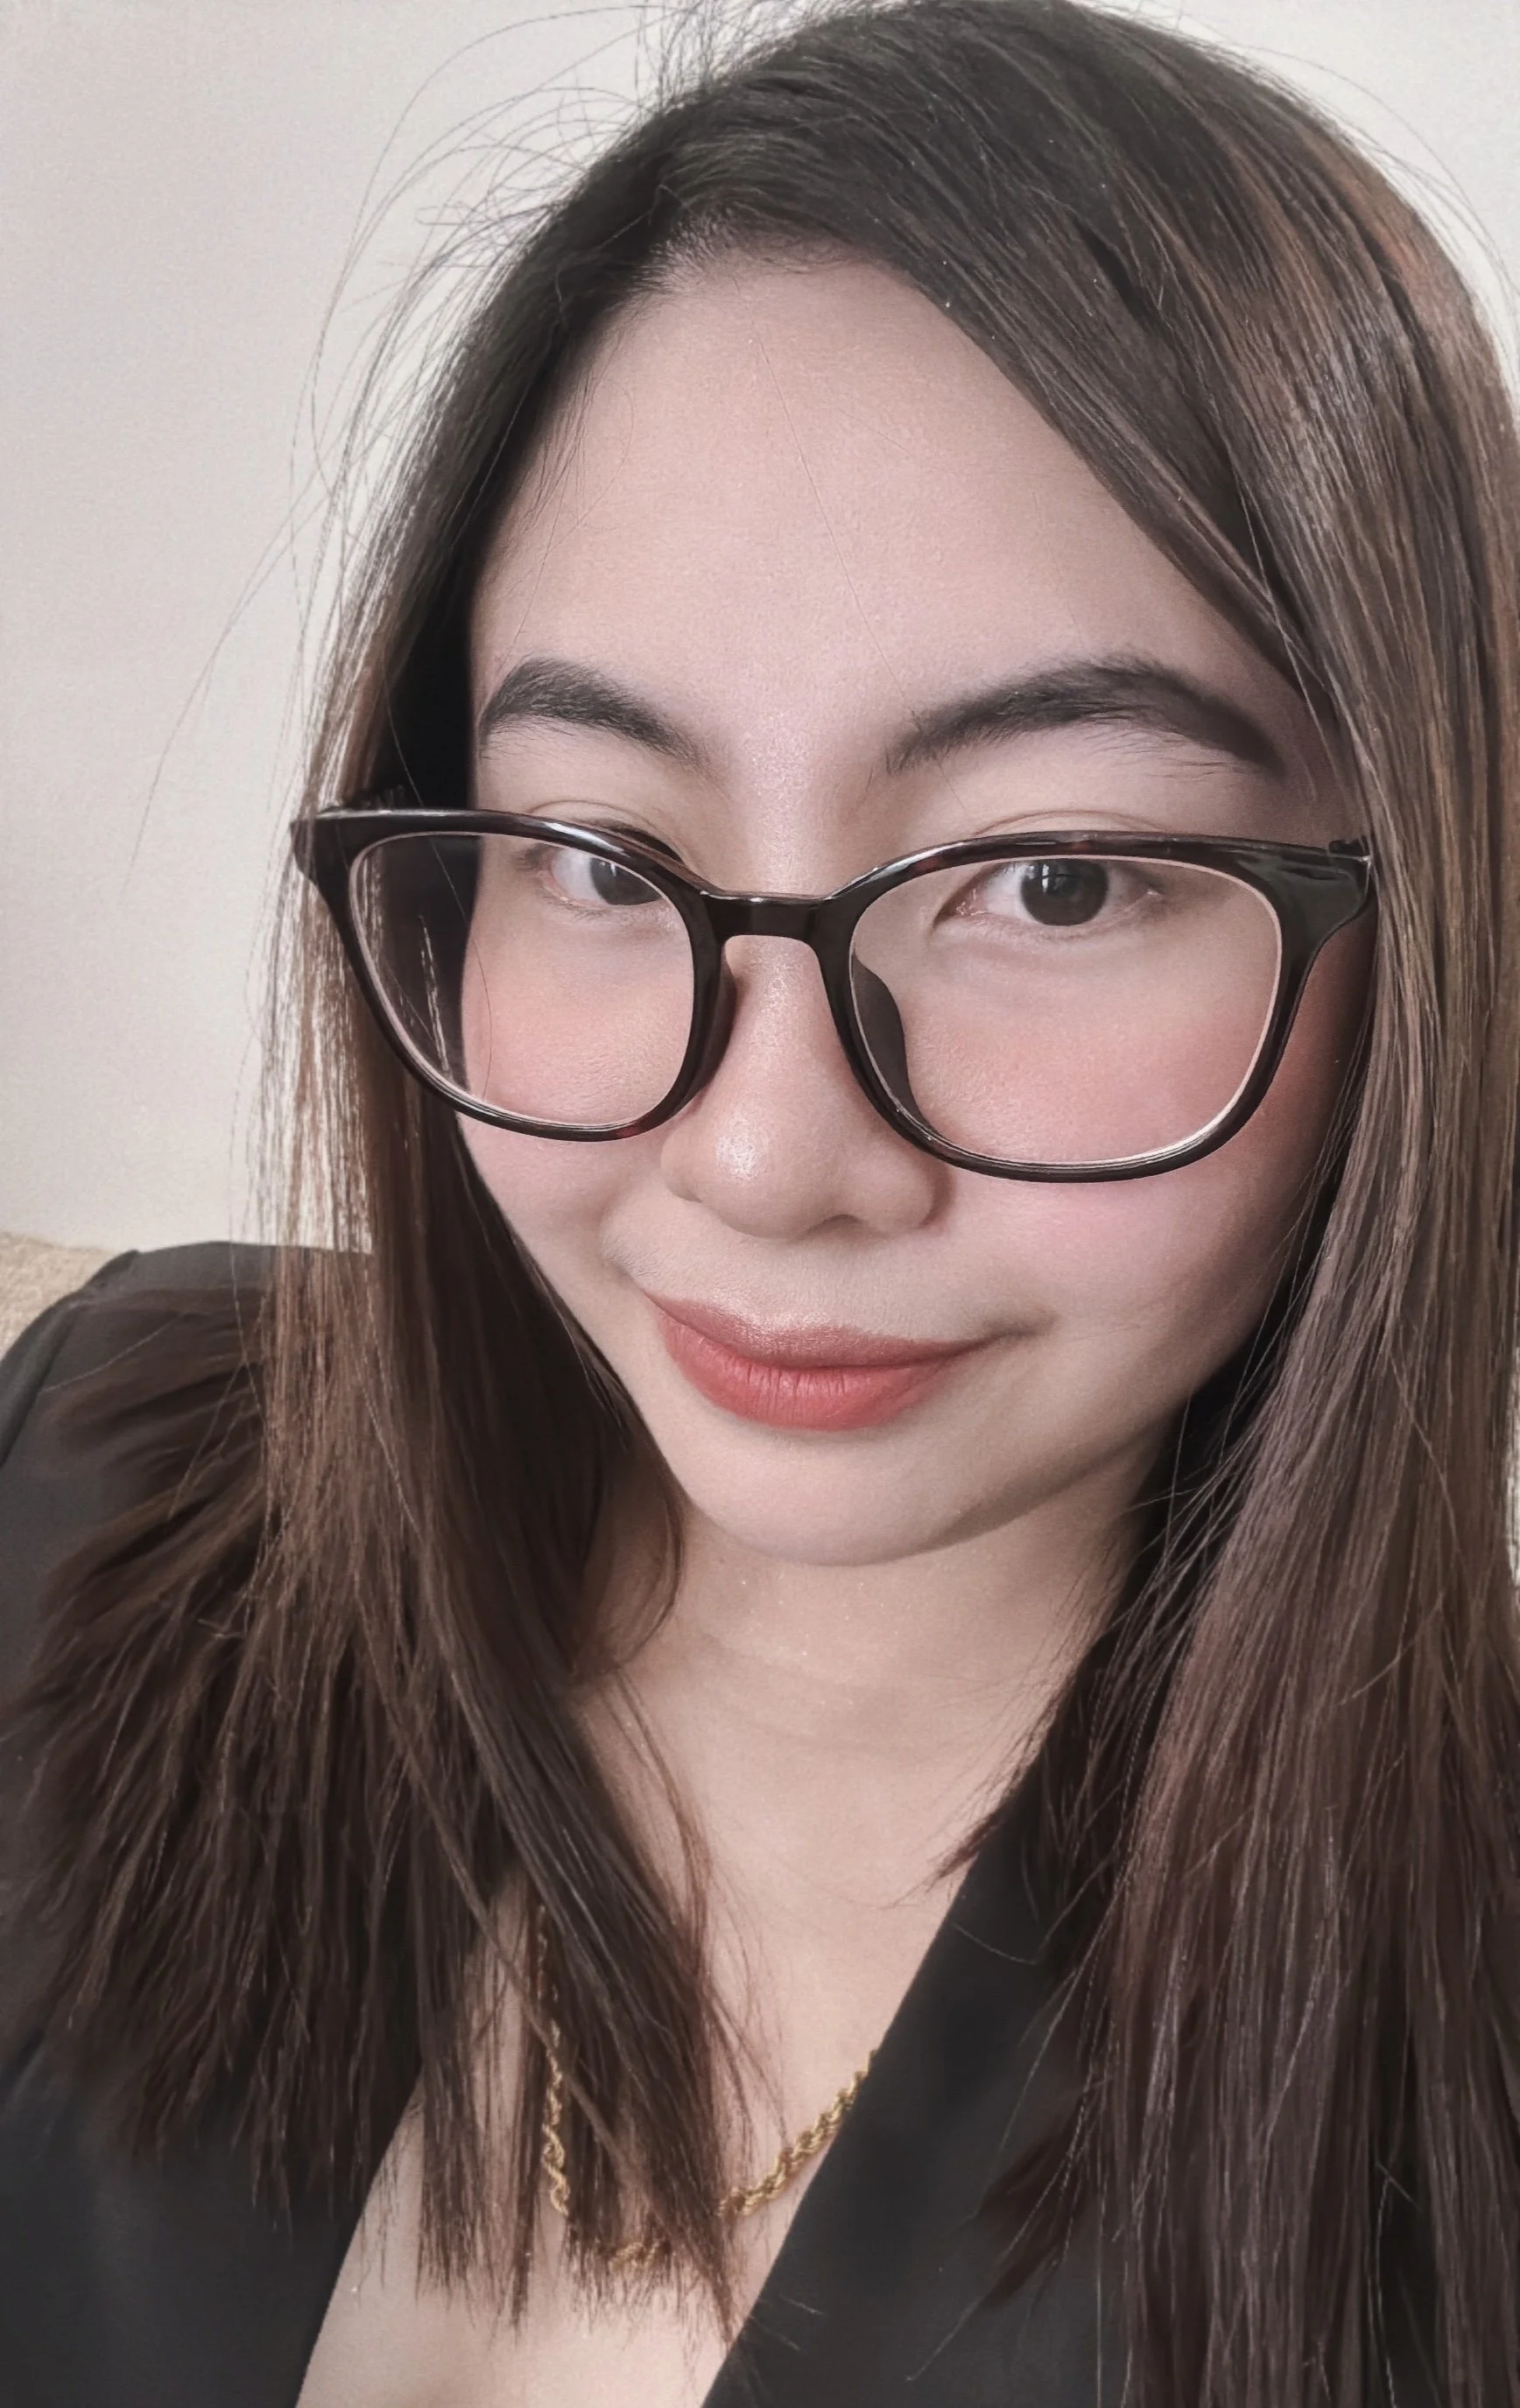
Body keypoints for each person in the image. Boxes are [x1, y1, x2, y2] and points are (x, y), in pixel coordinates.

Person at [3, 1, 1517, 2401]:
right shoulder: (95, 1476)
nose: (764, 1158)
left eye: (1058, 875)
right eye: (603, 855)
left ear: (1426, 926)